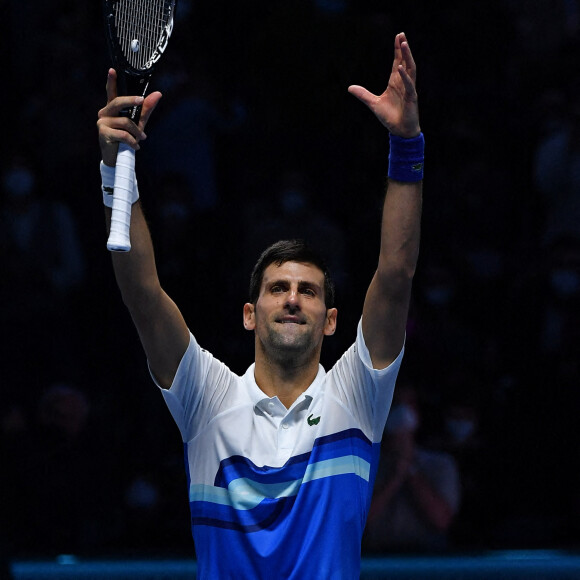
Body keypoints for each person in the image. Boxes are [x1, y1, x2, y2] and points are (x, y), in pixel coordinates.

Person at [97, 32, 423, 579]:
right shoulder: (208, 400)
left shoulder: (358, 395)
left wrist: (407, 145)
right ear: (250, 313)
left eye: (309, 291)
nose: (293, 299)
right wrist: (115, 171)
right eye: (277, 288)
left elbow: (395, 273)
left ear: (332, 320)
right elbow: (144, 295)